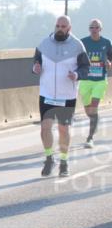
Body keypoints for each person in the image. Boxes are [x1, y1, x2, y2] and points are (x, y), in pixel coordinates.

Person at [33, 15, 89, 177]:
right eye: (57, 25)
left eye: (63, 26)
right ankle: (49, 158)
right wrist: (35, 67)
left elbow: (85, 68)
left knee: (63, 129)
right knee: (45, 128)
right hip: (47, 93)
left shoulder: (78, 45)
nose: (59, 28)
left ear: (69, 28)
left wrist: (77, 75)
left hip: (67, 95)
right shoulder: (43, 44)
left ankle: (64, 161)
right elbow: (36, 62)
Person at [80, 18, 112, 147]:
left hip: (100, 81)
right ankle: (95, 121)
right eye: (91, 27)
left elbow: (110, 58)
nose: (94, 30)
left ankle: (90, 137)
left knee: (94, 107)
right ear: (89, 29)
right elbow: (76, 58)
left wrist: (109, 63)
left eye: (96, 27)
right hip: (86, 80)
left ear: (100, 29)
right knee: (89, 111)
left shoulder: (106, 42)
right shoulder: (83, 42)